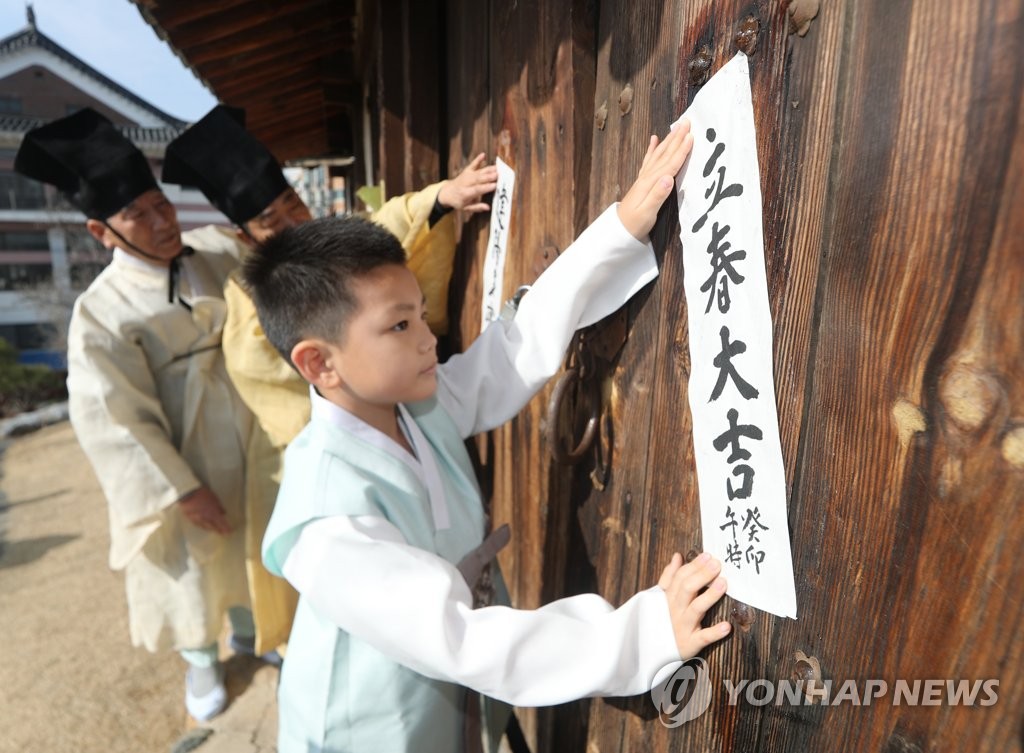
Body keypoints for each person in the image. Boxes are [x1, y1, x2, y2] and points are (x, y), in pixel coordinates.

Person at [244, 119, 731, 753]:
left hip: (439, 698)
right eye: (398, 326)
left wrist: (621, 229)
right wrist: (640, 638)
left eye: (420, 314)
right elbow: (459, 639)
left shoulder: (410, 403)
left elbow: (509, 352)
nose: (426, 338)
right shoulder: (326, 521)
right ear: (319, 363)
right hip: (364, 725)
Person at [161, 105, 499, 655]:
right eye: (270, 219)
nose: (291, 222)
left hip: (389, 429)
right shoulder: (250, 311)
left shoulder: (328, 252)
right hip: (319, 452)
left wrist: (436, 199)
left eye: (292, 203)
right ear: (246, 237)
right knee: (367, 605)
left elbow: (376, 235)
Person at [14, 107, 263, 723]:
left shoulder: (210, 252)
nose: (160, 222)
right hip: (183, 451)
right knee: (190, 564)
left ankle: (258, 632)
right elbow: (114, 420)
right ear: (103, 233)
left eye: (163, 205)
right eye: (139, 215)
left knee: (255, 539)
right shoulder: (99, 313)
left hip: (248, 429)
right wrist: (181, 489)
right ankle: (201, 656)